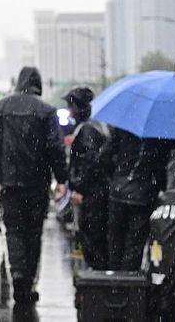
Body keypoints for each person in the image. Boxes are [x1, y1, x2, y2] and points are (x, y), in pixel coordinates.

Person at [0, 66, 67, 307]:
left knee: (14, 231)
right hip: (37, 184)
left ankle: (18, 275)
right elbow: (56, 148)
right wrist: (60, 179)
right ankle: (28, 280)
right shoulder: (46, 111)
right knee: (33, 233)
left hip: (9, 183)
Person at [102, 127, 175, 271]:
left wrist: (115, 177)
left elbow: (105, 156)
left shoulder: (125, 127)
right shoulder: (160, 131)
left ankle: (113, 283)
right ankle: (128, 284)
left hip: (118, 193)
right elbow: (163, 162)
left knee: (115, 242)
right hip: (143, 195)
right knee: (134, 246)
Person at [64, 87, 110, 271]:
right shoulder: (90, 128)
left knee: (93, 241)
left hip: (93, 197)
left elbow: (89, 163)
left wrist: (80, 188)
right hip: (95, 194)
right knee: (93, 239)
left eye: (70, 106)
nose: (68, 110)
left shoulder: (87, 131)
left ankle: (98, 283)